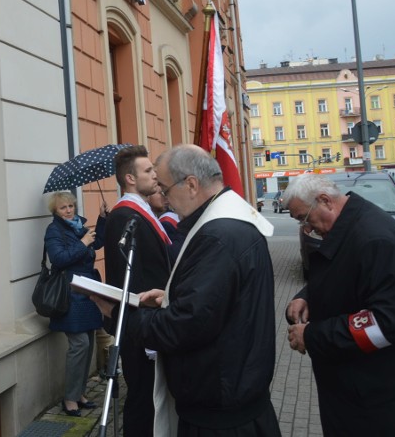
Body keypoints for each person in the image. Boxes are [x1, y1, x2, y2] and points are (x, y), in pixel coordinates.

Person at [97, 144, 279, 436]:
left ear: (191, 185)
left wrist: (120, 315)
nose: (165, 199)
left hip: (221, 415)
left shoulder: (218, 236)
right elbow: (216, 301)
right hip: (230, 397)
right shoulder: (227, 227)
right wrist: (169, 297)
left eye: (166, 189)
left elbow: (188, 324)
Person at [282, 173, 395, 436]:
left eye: (304, 219)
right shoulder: (353, 226)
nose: (306, 229)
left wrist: (313, 336)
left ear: (325, 201)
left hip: (387, 403)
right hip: (368, 393)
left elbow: (387, 324)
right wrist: (308, 296)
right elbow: (348, 275)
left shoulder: (374, 239)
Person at [102, 145, 173, 437]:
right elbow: (128, 279)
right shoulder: (124, 216)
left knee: (151, 400)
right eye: (148, 171)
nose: (155, 175)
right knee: (142, 402)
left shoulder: (142, 211)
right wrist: (146, 331)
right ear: (130, 179)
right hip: (142, 328)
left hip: (153, 321)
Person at [44, 190, 107, 416]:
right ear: (55, 211)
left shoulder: (80, 225)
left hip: (87, 289)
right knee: (79, 344)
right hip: (70, 292)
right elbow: (59, 259)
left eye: (71, 206)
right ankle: (69, 398)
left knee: (88, 343)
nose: (69, 210)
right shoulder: (54, 231)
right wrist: (82, 243)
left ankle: (79, 393)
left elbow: (97, 244)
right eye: (63, 207)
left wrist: (102, 218)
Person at [147, 190, 184, 263]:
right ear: (148, 195)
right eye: (160, 193)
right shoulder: (166, 223)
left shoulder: (169, 219)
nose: (166, 197)